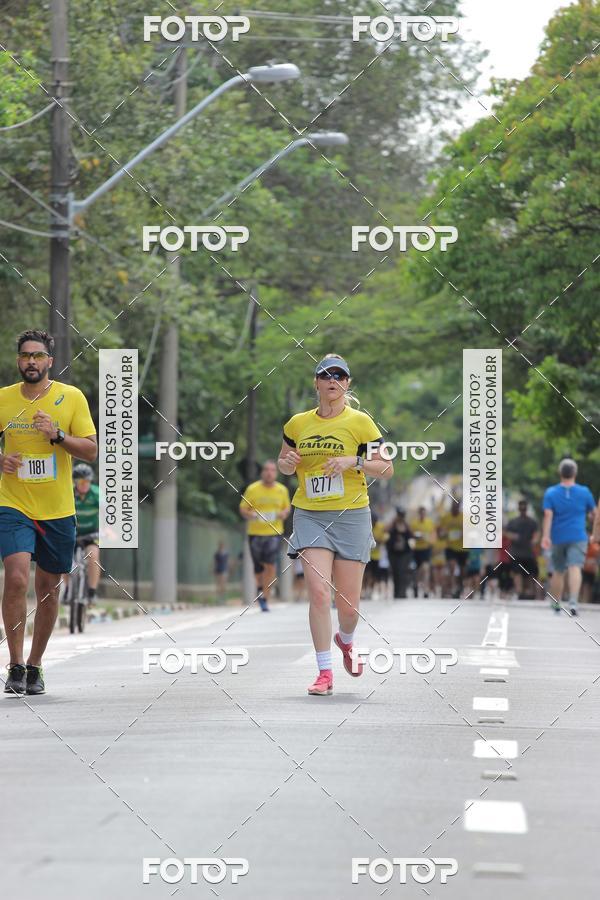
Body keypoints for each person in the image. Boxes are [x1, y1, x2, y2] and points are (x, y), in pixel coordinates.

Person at [277, 354, 393, 696]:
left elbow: (386, 469)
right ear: (315, 383)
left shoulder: (361, 424)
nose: (332, 381)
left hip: (352, 515)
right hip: (310, 514)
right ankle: (324, 672)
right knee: (318, 592)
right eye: (325, 375)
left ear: (347, 383)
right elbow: (284, 464)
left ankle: (346, 640)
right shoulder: (297, 424)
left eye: (339, 376)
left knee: (349, 608)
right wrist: (287, 463)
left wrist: (353, 461)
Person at [0, 330, 96, 696]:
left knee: (49, 590)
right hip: (13, 503)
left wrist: (56, 435)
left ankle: (35, 666)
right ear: (18, 360)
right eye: (25, 356)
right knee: (17, 578)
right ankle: (14, 664)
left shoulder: (70, 398)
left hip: (57, 509)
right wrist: (1, 460)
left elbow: (90, 451)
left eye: (38, 356)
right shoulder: (4, 399)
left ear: (50, 361)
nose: (31, 362)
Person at [541, 458, 596, 615]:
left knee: (558, 570)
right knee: (575, 567)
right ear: (575, 473)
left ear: (560, 473)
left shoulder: (551, 492)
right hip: (578, 536)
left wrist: (546, 536)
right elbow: (594, 515)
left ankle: (557, 603)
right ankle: (573, 602)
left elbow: (548, 515)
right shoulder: (584, 492)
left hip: (558, 536)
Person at [239, 460, 291, 611]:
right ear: (262, 472)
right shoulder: (252, 489)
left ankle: (265, 596)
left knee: (270, 564)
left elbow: (286, 508)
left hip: (274, 533)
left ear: (276, 473)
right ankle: (260, 588)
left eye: (272, 470)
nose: (269, 473)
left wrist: (283, 513)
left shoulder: (282, 490)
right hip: (255, 533)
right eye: (266, 470)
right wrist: (252, 515)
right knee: (258, 567)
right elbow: (243, 509)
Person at [72, 462, 100, 605]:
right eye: (79, 481)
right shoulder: (70, 494)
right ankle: (68, 589)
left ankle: (91, 591)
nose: (83, 484)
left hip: (91, 534)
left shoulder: (96, 493)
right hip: (73, 533)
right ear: (75, 482)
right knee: (64, 559)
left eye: (86, 481)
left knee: (93, 556)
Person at [506, 500, 539, 598]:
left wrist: (535, 541)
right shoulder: (513, 521)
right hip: (516, 552)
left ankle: (527, 592)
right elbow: (506, 532)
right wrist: (512, 536)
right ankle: (519, 592)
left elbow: (537, 534)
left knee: (528, 574)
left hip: (528, 552)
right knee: (517, 572)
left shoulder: (532, 522)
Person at [438, 499, 468, 598]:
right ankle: (452, 587)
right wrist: (443, 534)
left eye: (457, 506)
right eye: (453, 506)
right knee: (452, 566)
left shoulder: (464, 518)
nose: (455, 508)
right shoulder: (445, 518)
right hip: (450, 547)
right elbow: (440, 533)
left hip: (463, 548)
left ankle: (460, 586)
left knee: (463, 571)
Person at [386, 508, 414, 599]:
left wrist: (405, 524)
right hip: (393, 553)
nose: (401, 517)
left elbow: (411, 534)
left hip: (404, 553)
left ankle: (402, 592)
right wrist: (394, 521)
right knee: (395, 572)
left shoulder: (406, 525)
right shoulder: (393, 524)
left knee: (402, 571)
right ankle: (396, 592)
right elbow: (385, 530)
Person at [409, 505, 436, 597]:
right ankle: (416, 585)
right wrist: (415, 538)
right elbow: (411, 536)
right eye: (421, 513)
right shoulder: (414, 523)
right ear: (419, 514)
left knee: (425, 568)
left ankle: (425, 589)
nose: (422, 515)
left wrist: (429, 541)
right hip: (416, 550)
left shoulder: (429, 523)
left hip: (426, 549)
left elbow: (433, 536)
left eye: (424, 514)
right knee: (417, 570)